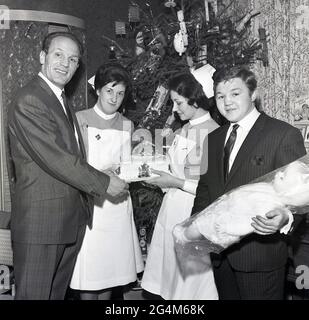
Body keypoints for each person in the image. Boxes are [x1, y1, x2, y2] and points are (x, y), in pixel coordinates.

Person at [7, 32, 128, 300]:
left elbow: (71, 156)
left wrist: (102, 173)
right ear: (42, 57)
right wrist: (104, 182)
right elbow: (56, 159)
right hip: (42, 224)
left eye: (73, 59)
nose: (65, 63)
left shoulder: (61, 100)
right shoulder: (31, 99)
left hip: (65, 222)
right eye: (58, 55)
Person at [191, 66, 306, 300]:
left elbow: (302, 193)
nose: (227, 102)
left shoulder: (282, 134)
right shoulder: (213, 139)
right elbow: (206, 190)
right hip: (221, 257)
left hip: (260, 258)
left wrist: (285, 218)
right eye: (221, 96)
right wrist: (195, 227)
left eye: (235, 93)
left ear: (253, 94)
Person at [141, 72, 219, 300]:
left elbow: (211, 188)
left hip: (192, 211)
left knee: (190, 284)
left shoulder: (213, 133)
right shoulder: (184, 128)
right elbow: (176, 167)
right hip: (172, 207)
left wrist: (173, 182)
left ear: (195, 99)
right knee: (170, 280)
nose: (175, 109)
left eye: (179, 102)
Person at [70, 62, 144, 299]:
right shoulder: (80, 119)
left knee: (112, 276)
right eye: (110, 90)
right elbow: (75, 165)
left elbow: (128, 165)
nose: (114, 98)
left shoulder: (127, 124)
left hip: (118, 207)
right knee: (90, 278)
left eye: (120, 93)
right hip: (92, 206)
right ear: (98, 90)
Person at [174, 159, 309, 251]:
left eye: (282, 176)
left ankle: (185, 236)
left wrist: (286, 216)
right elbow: (205, 184)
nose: (279, 173)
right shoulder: (215, 136)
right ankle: (187, 234)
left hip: (253, 256)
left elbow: (248, 224)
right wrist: (197, 215)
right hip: (218, 213)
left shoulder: (284, 134)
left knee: (201, 227)